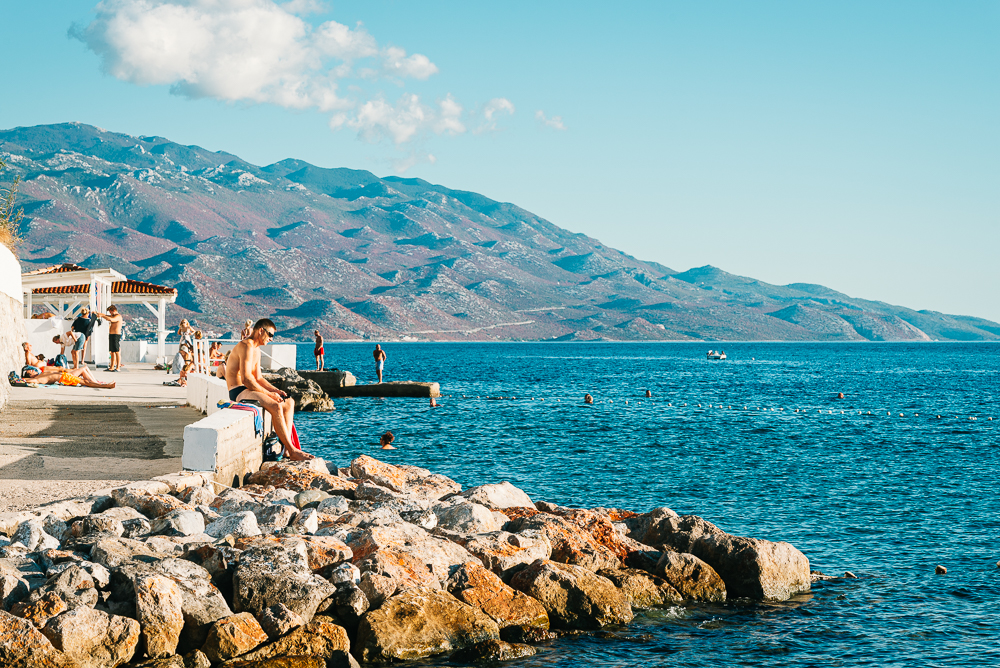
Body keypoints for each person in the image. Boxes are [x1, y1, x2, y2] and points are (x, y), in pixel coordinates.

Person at [226, 319, 312, 461]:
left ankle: (286, 449)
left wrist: (276, 391)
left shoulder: (256, 350)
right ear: (261, 331)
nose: (271, 339)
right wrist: (269, 394)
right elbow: (246, 379)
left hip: (248, 388)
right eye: (270, 335)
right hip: (238, 390)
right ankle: (293, 450)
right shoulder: (246, 345)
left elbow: (258, 378)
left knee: (289, 402)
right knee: (276, 405)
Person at [21, 365, 115, 389]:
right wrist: (20, 379)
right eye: (31, 371)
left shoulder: (41, 374)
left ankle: (97, 383)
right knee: (86, 382)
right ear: (31, 375)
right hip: (65, 379)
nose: (34, 370)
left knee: (84, 373)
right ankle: (106, 386)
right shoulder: (38, 378)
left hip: (65, 376)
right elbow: (30, 380)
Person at [94, 305, 124, 371]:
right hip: (112, 335)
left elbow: (110, 319)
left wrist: (102, 316)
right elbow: (106, 316)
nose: (110, 313)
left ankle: (118, 367)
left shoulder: (118, 316)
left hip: (116, 335)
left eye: (110, 312)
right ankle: (112, 367)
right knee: (112, 352)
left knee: (117, 351)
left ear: (114, 310)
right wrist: (98, 314)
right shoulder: (113, 315)